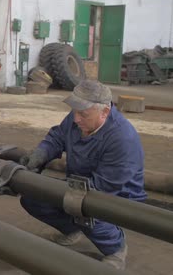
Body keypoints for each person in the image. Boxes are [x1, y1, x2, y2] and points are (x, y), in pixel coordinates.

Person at [19, 79, 146, 270]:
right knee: (31, 198)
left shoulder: (122, 139)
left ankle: (116, 248)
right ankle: (72, 230)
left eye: (83, 114)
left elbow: (103, 188)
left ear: (105, 111)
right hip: (78, 185)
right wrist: (41, 153)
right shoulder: (77, 116)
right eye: (75, 112)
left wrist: (69, 198)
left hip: (115, 196)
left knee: (84, 212)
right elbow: (57, 137)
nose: (76, 119)